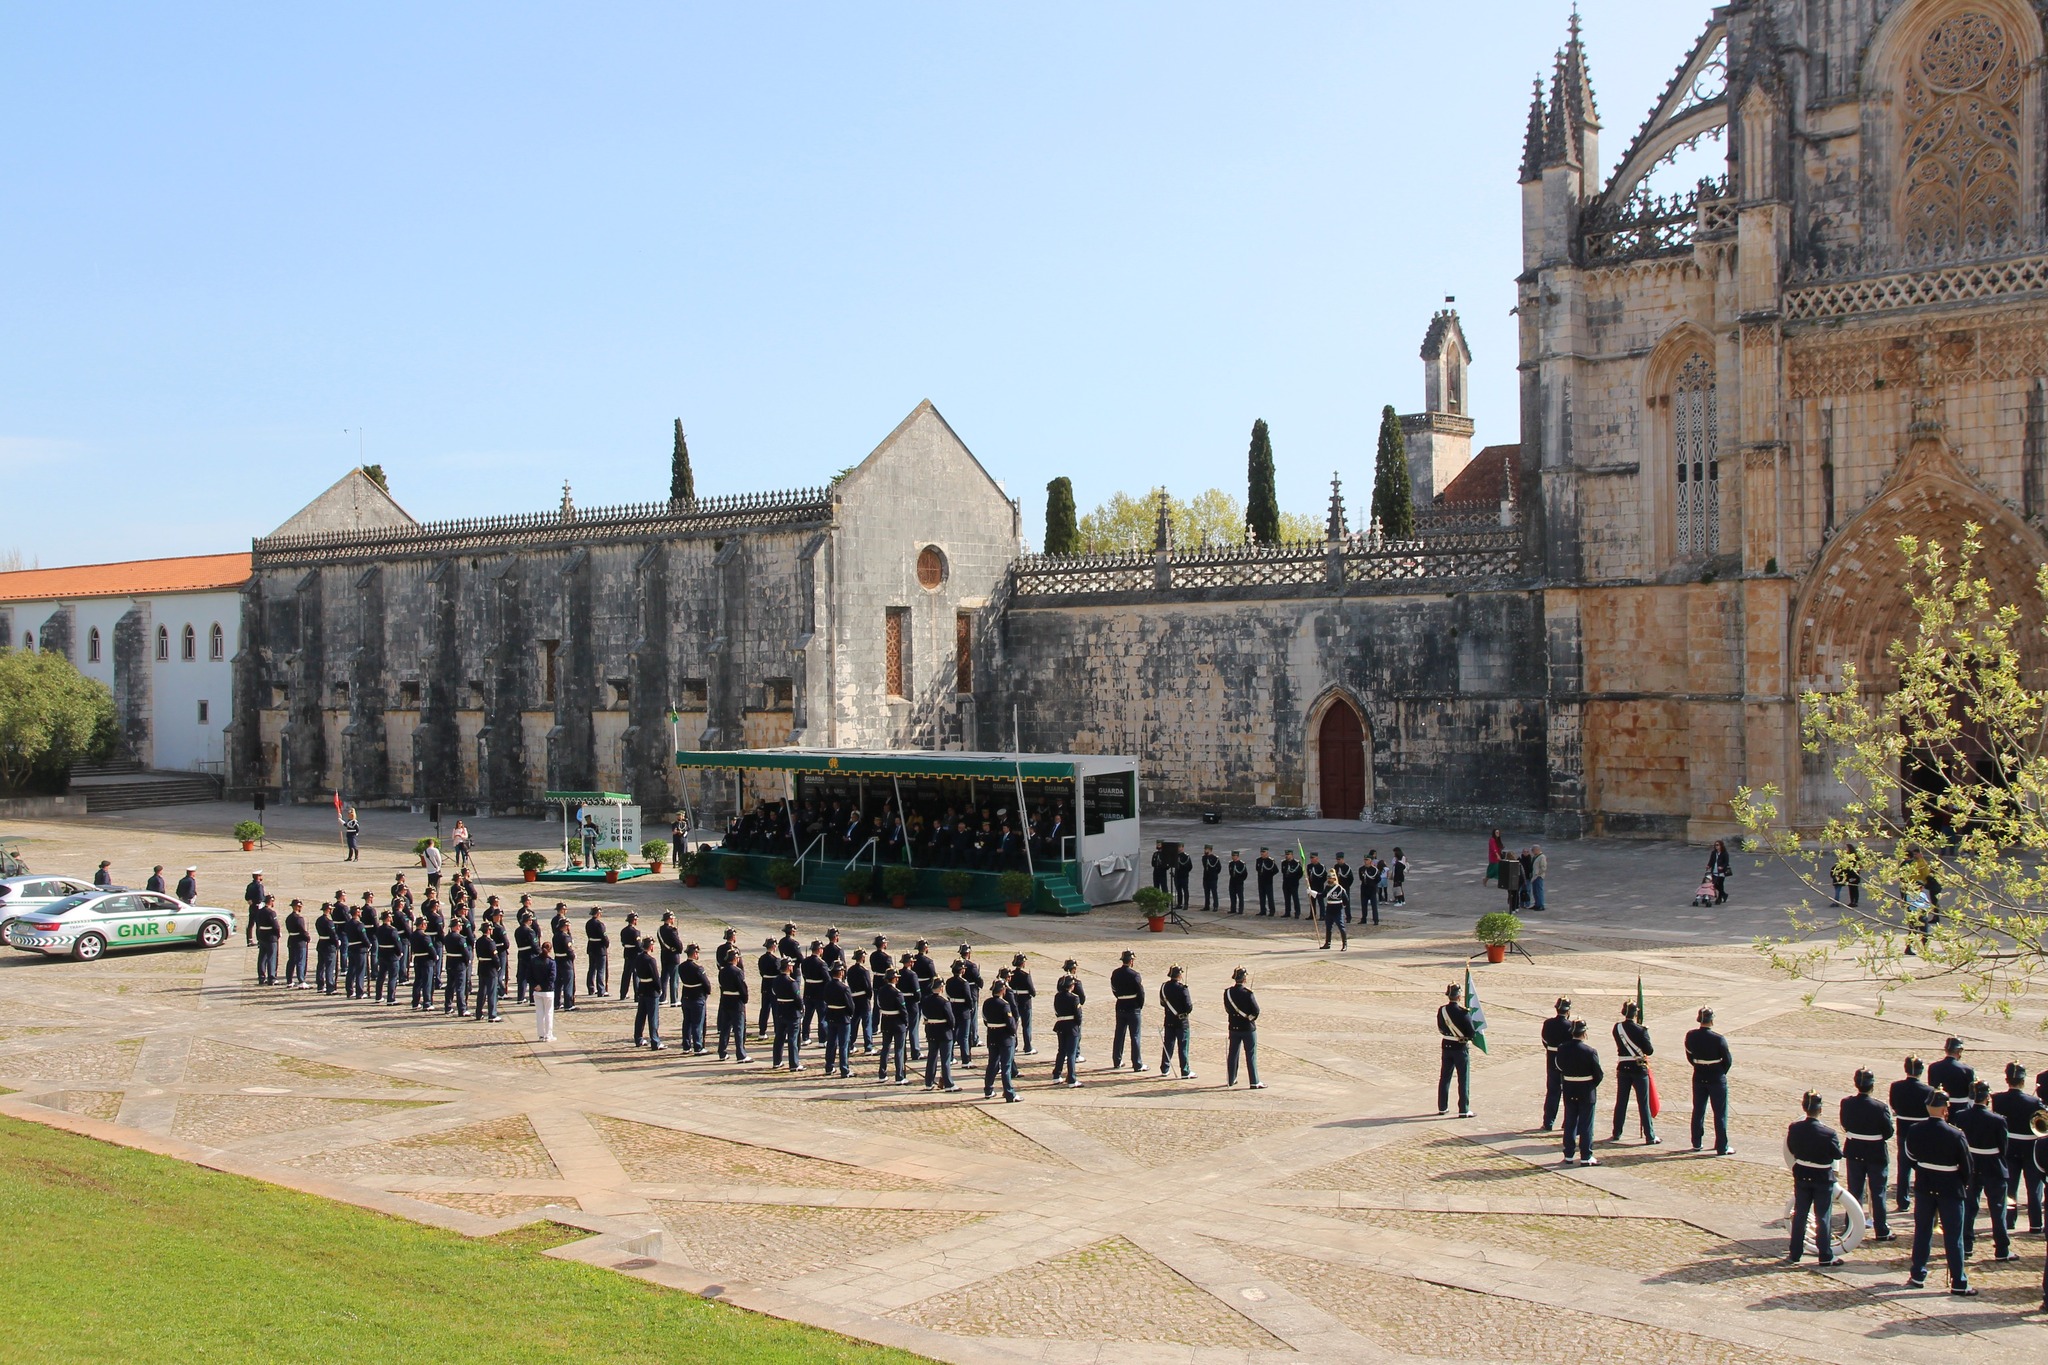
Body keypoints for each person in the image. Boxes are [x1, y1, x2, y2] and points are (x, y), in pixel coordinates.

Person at [1903, 1091, 1975, 1296]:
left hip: (1925, 1184)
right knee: (1954, 1236)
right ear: (1945, 1109)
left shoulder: (1916, 1130)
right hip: (1950, 1188)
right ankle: (1959, 1280)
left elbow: (1911, 1156)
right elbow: (1967, 1167)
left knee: (1923, 1231)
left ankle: (1917, 1274)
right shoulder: (1956, 1134)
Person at [1957, 1080, 2016, 1263]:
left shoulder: (1961, 1116)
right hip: (1992, 1165)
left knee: (1969, 1207)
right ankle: (2001, 1249)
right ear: (1987, 1097)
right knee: (1998, 1209)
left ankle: (1966, 1245)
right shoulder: (1998, 1120)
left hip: (1972, 1164)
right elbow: (2003, 1147)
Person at [1786, 1091, 1847, 1265]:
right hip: (1821, 1177)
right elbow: (1837, 1154)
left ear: (1804, 1108)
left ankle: (1795, 1253)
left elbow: (1792, 1148)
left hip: (1803, 1174)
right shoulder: (1828, 1133)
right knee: (1823, 1216)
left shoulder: (1795, 1128)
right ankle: (1825, 1255)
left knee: (1800, 1215)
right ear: (1820, 1110)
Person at [1840, 1068, 1897, 1243]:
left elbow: (1845, 1124)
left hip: (1855, 1150)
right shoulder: (1880, 1107)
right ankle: (1881, 1229)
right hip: (1875, 1152)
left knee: (1854, 1191)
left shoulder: (1847, 1103)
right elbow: (1888, 1132)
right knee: (1878, 1192)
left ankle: (1851, 1227)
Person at [1990, 1061, 2044, 1234]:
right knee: (2034, 1188)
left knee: (2010, 1188)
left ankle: (2009, 1221)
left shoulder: (1997, 1099)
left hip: (2009, 1147)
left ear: (2007, 1080)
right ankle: (2035, 1224)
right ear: (2023, 1081)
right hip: (2029, 1148)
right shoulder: (2034, 1102)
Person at [1684, 1007, 1734, 1156]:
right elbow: (1727, 1060)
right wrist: (1720, 1072)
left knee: (1698, 1109)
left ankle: (1697, 1142)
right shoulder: (1718, 1039)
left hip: (1699, 1074)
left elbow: (1690, 1056)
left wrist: (1699, 1066)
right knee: (1719, 1112)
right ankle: (1721, 1146)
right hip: (1716, 1076)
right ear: (1711, 1020)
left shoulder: (1691, 1036)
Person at [1890, 1056, 1934, 1214]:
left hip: (1904, 1129)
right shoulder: (1928, 1090)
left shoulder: (1896, 1087)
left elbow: (1894, 1104)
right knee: (1923, 1166)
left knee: (1904, 1167)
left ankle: (1903, 1200)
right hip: (1922, 1132)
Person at [1556, 1020, 1603, 1166]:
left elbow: (1559, 1066)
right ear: (1584, 1033)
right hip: (1585, 1089)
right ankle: (1586, 1155)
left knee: (1570, 1121)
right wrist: (1590, 1085)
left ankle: (1568, 1154)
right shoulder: (1590, 1051)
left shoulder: (1562, 1048)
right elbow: (1598, 1074)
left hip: (1569, 1087)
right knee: (1586, 1124)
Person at [1610, 1000, 1656, 1144]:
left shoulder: (1617, 1028)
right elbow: (1649, 1050)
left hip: (1623, 1067)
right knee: (1643, 1103)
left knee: (1621, 1102)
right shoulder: (1641, 1030)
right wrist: (1644, 1033)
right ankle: (1650, 1135)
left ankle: (1617, 1132)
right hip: (1638, 1068)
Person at [1437, 982, 1475, 1118]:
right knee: (1463, 1078)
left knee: (1445, 1077)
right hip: (1460, 1047)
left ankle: (1442, 1107)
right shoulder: (1463, 1013)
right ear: (1459, 997)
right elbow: (1471, 1033)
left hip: (1446, 1045)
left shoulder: (1442, 1010)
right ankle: (1463, 1109)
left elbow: (1440, 1027)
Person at [1224, 968, 1262, 1089]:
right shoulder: (1248, 993)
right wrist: (1250, 1018)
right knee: (1250, 1054)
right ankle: (1254, 1081)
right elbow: (1256, 1011)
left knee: (1233, 1054)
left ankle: (1231, 1079)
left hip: (1234, 1027)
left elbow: (1228, 1008)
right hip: (1247, 1028)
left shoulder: (1228, 992)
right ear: (1244, 979)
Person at [982, 977, 1018, 1101]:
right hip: (1004, 1037)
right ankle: (1009, 1093)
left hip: (992, 1035)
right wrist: (1013, 1033)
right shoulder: (1005, 1005)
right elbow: (1010, 1023)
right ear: (1003, 990)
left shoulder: (987, 1002)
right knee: (1006, 1066)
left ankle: (988, 1089)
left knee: (992, 1063)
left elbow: (985, 1020)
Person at [921, 976, 960, 1091]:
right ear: (941, 988)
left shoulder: (926, 1000)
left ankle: (928, 1082)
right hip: (944, 1032)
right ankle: (948, 1083)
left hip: (931, 1030)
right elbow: (951, 1020)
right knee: (945, 1059)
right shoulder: (944, 1002)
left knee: (932, 1057)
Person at [1540, 998, 1573, 1132]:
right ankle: (1567, 1122)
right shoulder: (1570, 1025)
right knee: (1568, 1093)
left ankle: (1548, 1122)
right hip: (1566, 1062)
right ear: (1568, 1010)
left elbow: (1544, 1040)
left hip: (1551, 1059)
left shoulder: (1548, 1023)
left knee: (1552, 1093)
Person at [1109, 950, 1144, 1072]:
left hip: (1120, 1004)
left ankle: (1117, 1060)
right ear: (1131, 961)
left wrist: (1120, 996)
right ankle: (1137, 1064)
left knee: (1119, 1034)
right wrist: (1139, 1005)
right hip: (1133, 1005)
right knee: (1135, 1035)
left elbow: (1114, 989)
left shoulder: (1116, 973)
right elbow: (1140, 992)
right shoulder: (1135, 975)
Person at [1158, 965, 1194, 1080]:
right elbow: (1188, 1007)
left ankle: (1165, 1068)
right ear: (1179, 975)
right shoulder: (1182, 988)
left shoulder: (1164, 987)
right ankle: (1185, 1071)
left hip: (1169, 1020)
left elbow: (1162, 1003)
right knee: (1183, 1046)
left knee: (1168, 1044)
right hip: (1181, 1022)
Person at [715, 947, 751, 1061]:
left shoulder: (722, 971)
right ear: (735, 959)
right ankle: (740, 1054)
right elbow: (742, 988)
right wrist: (745, 999)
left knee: (725, 1029)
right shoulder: (738, 972)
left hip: (726, 1000)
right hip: (736, 1002)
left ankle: (722, 1051)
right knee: (738, 1029)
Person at [875, 968, 910, 1084]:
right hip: (897, 1022)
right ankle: (899, 1076)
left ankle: (882, 1073)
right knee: (899, 1049)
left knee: (885, 1048)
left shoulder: (881, 991)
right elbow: (903, 1010)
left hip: (886, 1020)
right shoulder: (897, 993)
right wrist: (906, 1022)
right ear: (894, 979)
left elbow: (879, 1004)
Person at [769, 959, 803, 1071]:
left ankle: (777, 1061)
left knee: (779, 1037)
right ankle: (794, 1063)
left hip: (781, 1010)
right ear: (789, 967)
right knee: (793, 1038)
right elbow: (797, 998)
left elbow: (774, 992)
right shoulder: (791, 982)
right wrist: (801, 1009)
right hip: (792, 1012)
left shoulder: (776, 980)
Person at [630, 938, 664, 1050]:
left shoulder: (638, 958)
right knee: (653, 1017)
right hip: (651, 990)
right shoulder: (650, 960)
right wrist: (659, 988)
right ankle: (655, 1041)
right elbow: (655, 976)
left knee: (640, 1016)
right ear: (650, 946)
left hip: (642, 988)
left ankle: (638, 1038)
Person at [821, 964, 854, 1077]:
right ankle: (844, 1069)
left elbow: (825, 999)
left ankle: (829, 1067)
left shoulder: (828, 986)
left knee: (831, 1043)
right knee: (843, 1045)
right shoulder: (844, 988)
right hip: (843, 1017)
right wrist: (850, 1014)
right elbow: (850, 1006)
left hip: (831, 1015)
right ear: (841, 973)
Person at [675, 945, 710, 1053]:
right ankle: (698, 1046)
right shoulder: (698, 968)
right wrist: (706, 993)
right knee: (697, 1023)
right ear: (695, 954)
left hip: (686, 996)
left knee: (687, 1022)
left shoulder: (681, 967)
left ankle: (686, 1045)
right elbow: (707, 985)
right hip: (697, 997)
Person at [1050, 974, 1082, 1087]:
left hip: (1060, 1025)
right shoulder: (1074, 998)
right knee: (1071, 1053)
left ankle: (1056, 1075)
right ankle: (1072, 1079)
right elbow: (1078, 1015)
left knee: (1061, 1051)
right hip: (1071, 1026)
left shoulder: (1057, 996)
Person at [527, 942, 559, 1042]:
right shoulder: (551, 962)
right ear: (550, 950)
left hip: (537, 991)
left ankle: (541, 1035)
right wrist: (543, 986)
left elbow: (529, 976)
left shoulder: (534, 961)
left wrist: (535, 986)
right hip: (548, 991)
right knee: (549, 1013)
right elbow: (552, 978)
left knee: (539, 1013)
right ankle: (548, 1035)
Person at [441, 914, 471, 1016]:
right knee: (460, 987)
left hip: (450, 962)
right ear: (457, 926)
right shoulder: (460, 938)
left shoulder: (447, 937)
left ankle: (447, 1006)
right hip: (459, 964)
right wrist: (467, 962)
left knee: (450, 986)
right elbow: (466, 953)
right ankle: (462, 1009)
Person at [1927, 1037, 1973, 1101]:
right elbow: (1972, 1093)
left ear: (1946, 1050)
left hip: (1939, 1105)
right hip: (1961, 1106)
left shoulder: (1933, 1067)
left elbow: (1932, 1088)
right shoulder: (1967, 1070)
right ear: (1960, 1051)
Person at [407, 916, 436, 1010]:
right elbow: (431, 949)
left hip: (418, 959)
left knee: (418, 981)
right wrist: (435, 957)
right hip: (426, 960)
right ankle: (427, 1002)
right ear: (422, 925)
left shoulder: (413, 935)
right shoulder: (425, 936)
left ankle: (415, 1002)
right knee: (427, 982)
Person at [1009, 953, 1036, 1055]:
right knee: (1026, 1025)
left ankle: (1014, 1045)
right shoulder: (1026, 976)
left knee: (1014, 1024)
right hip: (1025, 1002)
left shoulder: (1011, 974)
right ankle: (1028, 1046)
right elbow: (1032, 991)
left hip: (1014, 1001)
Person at [250, 895, 280, 986]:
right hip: (271, 937)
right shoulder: (271, 913)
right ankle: (271, 977)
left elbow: (257, 923)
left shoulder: (259, 912)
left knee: (262, 958)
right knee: (271, 957)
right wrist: (278, 934)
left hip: (262, 935)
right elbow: (276, 926)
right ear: (271, 902)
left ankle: (261, 977)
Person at [657, 912, 684, 1005]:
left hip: (664, 955)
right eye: (672, 918)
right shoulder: (671, 931)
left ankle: (662, 997)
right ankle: (674, 999)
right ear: (669, 919)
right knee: (674, 978)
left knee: (664, 977)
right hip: (673, 956)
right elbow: (678, 944)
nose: (673, 920)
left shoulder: (660, 929)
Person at [584, 907, 610, 999]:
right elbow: (605, 938)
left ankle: (591, 988)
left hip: (591, 946)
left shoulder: (588, 923)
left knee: (591, 968)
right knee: (600, 970)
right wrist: (606, 945)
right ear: (598, 914)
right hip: (599, 948)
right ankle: (601, 990)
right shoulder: (600, 924)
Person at [617, 913, 644, 1003]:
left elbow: (623, 943)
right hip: (635, 955)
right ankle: (637, 995)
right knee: (636, 975)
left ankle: (623, 993)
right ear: (634, 920)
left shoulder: (623, 931)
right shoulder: (636, 932)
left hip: (627, 953)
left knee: (626, 975)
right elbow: (639, 946)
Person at [283, 900, 309, 989]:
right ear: (298, 907)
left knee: (291, 961)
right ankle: (301, 980)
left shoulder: (289, 917)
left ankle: (289, 980)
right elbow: (302, 931)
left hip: (291, 940)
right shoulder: (299, 918)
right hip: (299, 941)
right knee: (300, 961)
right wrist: (307, 937)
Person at [314, 903, 339, 995]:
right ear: (329, 910)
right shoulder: (329, 922)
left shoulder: (319, 920)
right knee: (329, 966)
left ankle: (320, 985)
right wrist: (337, 943)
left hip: (321, 943)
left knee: (320, 966)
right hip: (329, 945)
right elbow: (333, 935)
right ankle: (330, 986)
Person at [1319, 876, 1348, 951]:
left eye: (1330, 878)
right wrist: (1312, 892)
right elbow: (1322, 895)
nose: (1329, 880)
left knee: (1341, 927)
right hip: (1329, 910)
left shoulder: (1340, 888)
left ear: (1334, 879)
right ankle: (1327, 943)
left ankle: (1344, 944)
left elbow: (1346, 900)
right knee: (1328, 927)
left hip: (1337, 910)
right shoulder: (1327, 887)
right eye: (1328, 878)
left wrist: (1342, 907)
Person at [1829, 844, 1860, 908]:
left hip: (1854, 875)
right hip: (1846, 875)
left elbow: (1855, 867)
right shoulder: (1845, 856)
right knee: (1850, 889)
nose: (1845, 849)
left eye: (1846, 848)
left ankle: (1854, 902)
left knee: (1854, 889)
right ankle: (1852, 901)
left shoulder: (1854, 857)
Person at [243, 871, 266, 944]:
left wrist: (250, 900)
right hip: (258, 906)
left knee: (250, 924)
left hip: (252, 906)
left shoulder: (250, 885)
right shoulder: (259, 885)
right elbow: (260, 897)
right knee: (258, 924)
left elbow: (246, 896)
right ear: (258, 876)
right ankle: (259, 940)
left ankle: (249, 940)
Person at [1254, 848, 1277, 916]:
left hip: (1268, 882)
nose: (1262, 853)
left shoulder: (1270, 861)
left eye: (1263, 852)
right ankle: (1263, 910)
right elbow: (1257, 869)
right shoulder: (1258, 860)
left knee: (1270, 897)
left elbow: (1276, 870)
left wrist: (1269, 875)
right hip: (1261, 881)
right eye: (1261, 852)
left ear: (1267, 853)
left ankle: (1272, 910)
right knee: (1262, 896)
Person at [1280, 849, 1302, 918]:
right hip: (1286, 883)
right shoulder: (1283, 863)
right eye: (1286, 855)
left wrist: (1295, 879)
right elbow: (1283, 871)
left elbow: (1300, 873)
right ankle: (1287, 912)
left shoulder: (1296, 863)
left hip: (1294, 883)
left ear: (1292, 855)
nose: (1286, 856)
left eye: (1288, 855)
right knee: (1287, 898)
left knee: (1295, 898)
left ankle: (1297, 912)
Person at [1199, 846, 1221, 912]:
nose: (1205, 850)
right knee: (1206, 892)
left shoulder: (1215, 858)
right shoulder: (1204, 857)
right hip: (1206, 878)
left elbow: (1219, 868)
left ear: (1210, 850)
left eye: (1207, 849)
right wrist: (1206, 856)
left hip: (1213, 878)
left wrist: (1214, 873)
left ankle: (1215, 906)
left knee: (1214, 892)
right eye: (1205, 849)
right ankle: (1206, 905)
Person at [1526, 845, 1547, 912]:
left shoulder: (1542, 857)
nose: (1532, 852)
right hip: (1534, 876)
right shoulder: (1535, 856)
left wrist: (1538, 874)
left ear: (1537, 850)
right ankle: (1537, 904)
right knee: (1535, 891)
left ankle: (1540, 905)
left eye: (1533, 850)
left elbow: (1543, 867)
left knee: (1539, 891)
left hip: (1538, 876)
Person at [1172, 845, 1193, 911]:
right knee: (1179, 890)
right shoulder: (1175, 856)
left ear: (1182, 848)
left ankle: (1186, 904)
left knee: (1185, 890)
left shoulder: (1186, 856)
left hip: (1184, 876)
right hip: (1177, 876)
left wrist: (1185, 872)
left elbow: (1190, 866)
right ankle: (1179, 904)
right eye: (1177, 847)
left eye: (1179, 847)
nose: (1178, 848)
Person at [1226, 851, 1247, 915]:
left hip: (1239, 883)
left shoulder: (1241, 864)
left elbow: (1245, 874)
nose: (1233, 857)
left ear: (1237, 856)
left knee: (1240, 896)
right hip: (1232, 882)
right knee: (1232, 896)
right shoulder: (1231, 863)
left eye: (1235, 856)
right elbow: (1230, 872)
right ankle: (1233, 909)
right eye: (1232, 856)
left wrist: (1241, 880)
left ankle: (1240, 910)